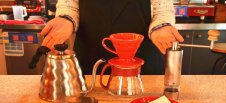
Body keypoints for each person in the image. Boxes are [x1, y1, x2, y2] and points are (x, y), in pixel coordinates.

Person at [41, 0, 184, 74]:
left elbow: (162, 10)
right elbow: (69, 5)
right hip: (91, 58)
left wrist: (161, 26)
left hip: (142, 59)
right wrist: (66, 18)